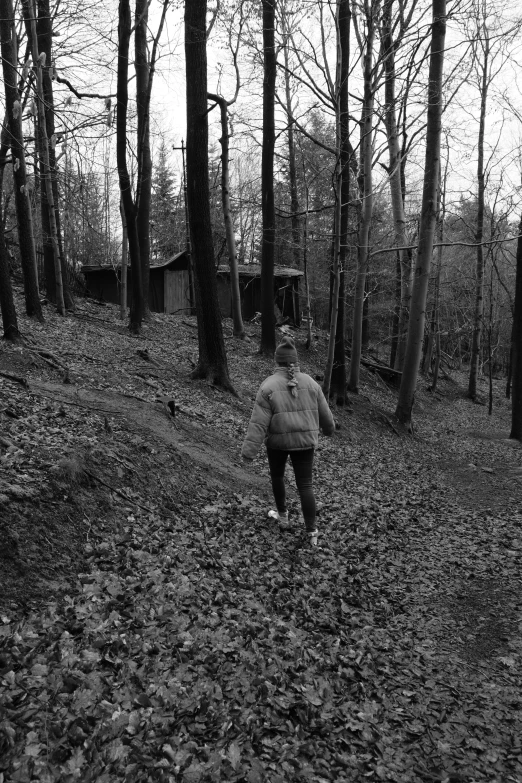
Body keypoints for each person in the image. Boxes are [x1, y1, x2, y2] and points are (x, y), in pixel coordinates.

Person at [241, 336, 335, 545]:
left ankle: (283, 517)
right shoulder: (311, 383)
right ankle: (312, 532)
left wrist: (248, 452)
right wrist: (329, 430)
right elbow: (326, 417)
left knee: (277, 477)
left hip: (277, 443)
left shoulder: (268, 386)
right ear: (295, 360)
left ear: (277, 361)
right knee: (305, 485)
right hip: (305, 441)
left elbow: (258, 423)